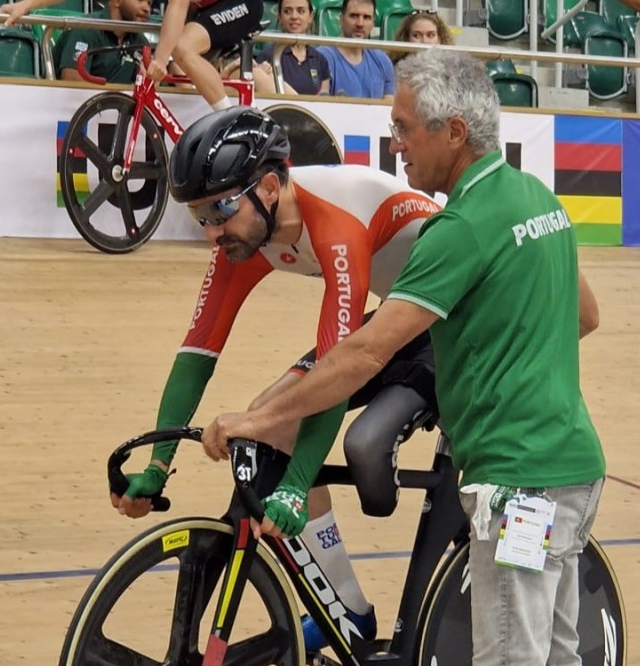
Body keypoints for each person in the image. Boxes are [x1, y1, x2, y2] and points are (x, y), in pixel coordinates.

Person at [203, 48, 606, 666]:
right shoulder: (538, 200)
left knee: (511, 657)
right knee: (556, 655)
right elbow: (583, 317)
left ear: (453, 133)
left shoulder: (461, 227)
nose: (396, 145)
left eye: (404, 127)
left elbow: (364, 353)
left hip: (517, 482)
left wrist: (257, 422)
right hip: (572, 468)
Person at [108, 105, 444, 651]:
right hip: (399, 318)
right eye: (201, 218)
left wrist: (293, 486)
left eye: (220, 211)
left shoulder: (336, 220)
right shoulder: (246, 233)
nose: (213, 233)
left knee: (344, 440)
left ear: (267, 186)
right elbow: (198, 351)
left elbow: (340, 368)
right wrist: (157, 464)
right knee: (267, 424)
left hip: (459, 327)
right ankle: (349, 610)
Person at [0, 0, 262, 111]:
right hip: (206, 8)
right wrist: (27, 5)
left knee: (181, 49)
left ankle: (230, 121)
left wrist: (160, 60)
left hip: (240, 4)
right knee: (179, 54)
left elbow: (177, 8)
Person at [53, 0, 152, 83]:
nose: (147, 9)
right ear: (117, 1)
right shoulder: (85, 28)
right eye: (140, 0)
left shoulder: (141, 42)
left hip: (119, 104)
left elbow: (149, 86)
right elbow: (72, 82)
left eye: (149, 3)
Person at [317, 0, 395, 99]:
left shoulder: (383, 61)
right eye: (354, 16)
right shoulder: (322, 58)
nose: (360, 24)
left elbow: (387, 108)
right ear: (341, 19)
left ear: (373, 23)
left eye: (366, 17)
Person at [254, 0, 331, 95]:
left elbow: (324, 101)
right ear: (280, 17)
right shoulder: (267, 57)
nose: (294, 16)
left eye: (301, 11)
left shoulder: (320, 60)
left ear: (310, 16)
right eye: (287, 11)